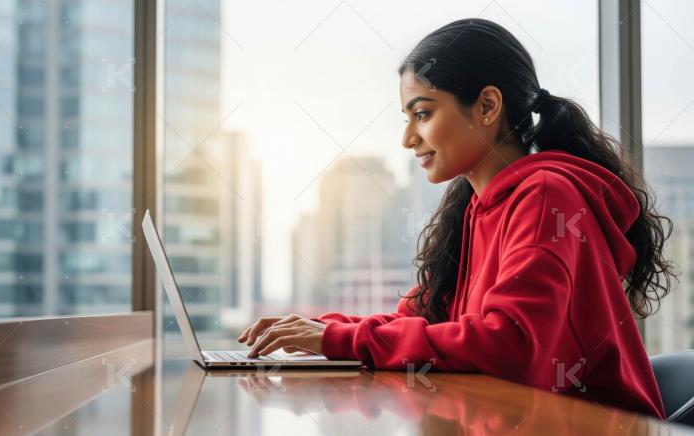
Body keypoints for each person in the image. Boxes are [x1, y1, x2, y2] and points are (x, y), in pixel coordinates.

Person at [238, 18, 676, 419]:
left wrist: (338, 340)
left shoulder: (546, 196)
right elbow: (424, 322)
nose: (407, 138)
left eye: (422, 114)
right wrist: (321, 329)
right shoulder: (471, 210)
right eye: (407, 118)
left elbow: (510, 346)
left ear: (487, 106)